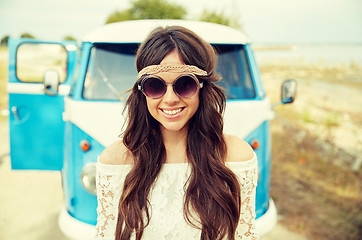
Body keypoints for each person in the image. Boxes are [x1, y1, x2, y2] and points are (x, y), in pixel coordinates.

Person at [95, 25, 259, 240]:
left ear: (202, 87)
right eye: (155, 86)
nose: (170, 98)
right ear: (142, 92)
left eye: (184, 84)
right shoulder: (116, 160)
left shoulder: (235, 156)